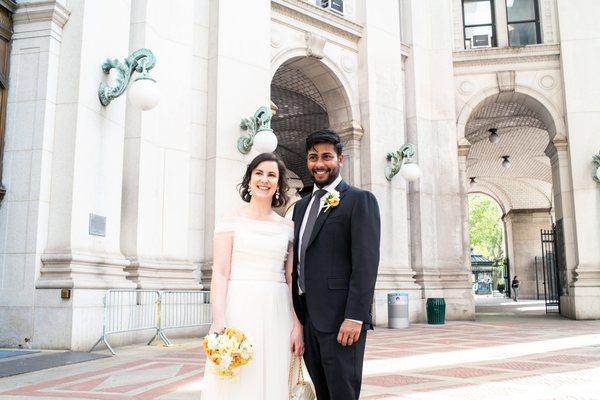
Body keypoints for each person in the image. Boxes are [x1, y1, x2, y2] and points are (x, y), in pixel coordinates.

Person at [202, 153, 303, 400]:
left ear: (278, 184)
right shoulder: (231, 220)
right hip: (240, 305)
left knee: (275, 371)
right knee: (239, 373)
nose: (264, 180)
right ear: (249, 179)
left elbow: (291, 277)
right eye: (259, 173)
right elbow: (221, 272)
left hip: (277, 308)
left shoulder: (287, 227)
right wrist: (218, 318)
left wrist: (297, 325)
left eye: (271, 175)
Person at [291, 129, 381, 400]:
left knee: (343, 394)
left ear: (340, 159)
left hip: (343, 322)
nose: (319, 163)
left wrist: (355, 316)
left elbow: (366, 263)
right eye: (313, 157)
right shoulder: (300, 207)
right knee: (322, 394)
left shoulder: (359, 200)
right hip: (309, 319)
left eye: (327, 156)